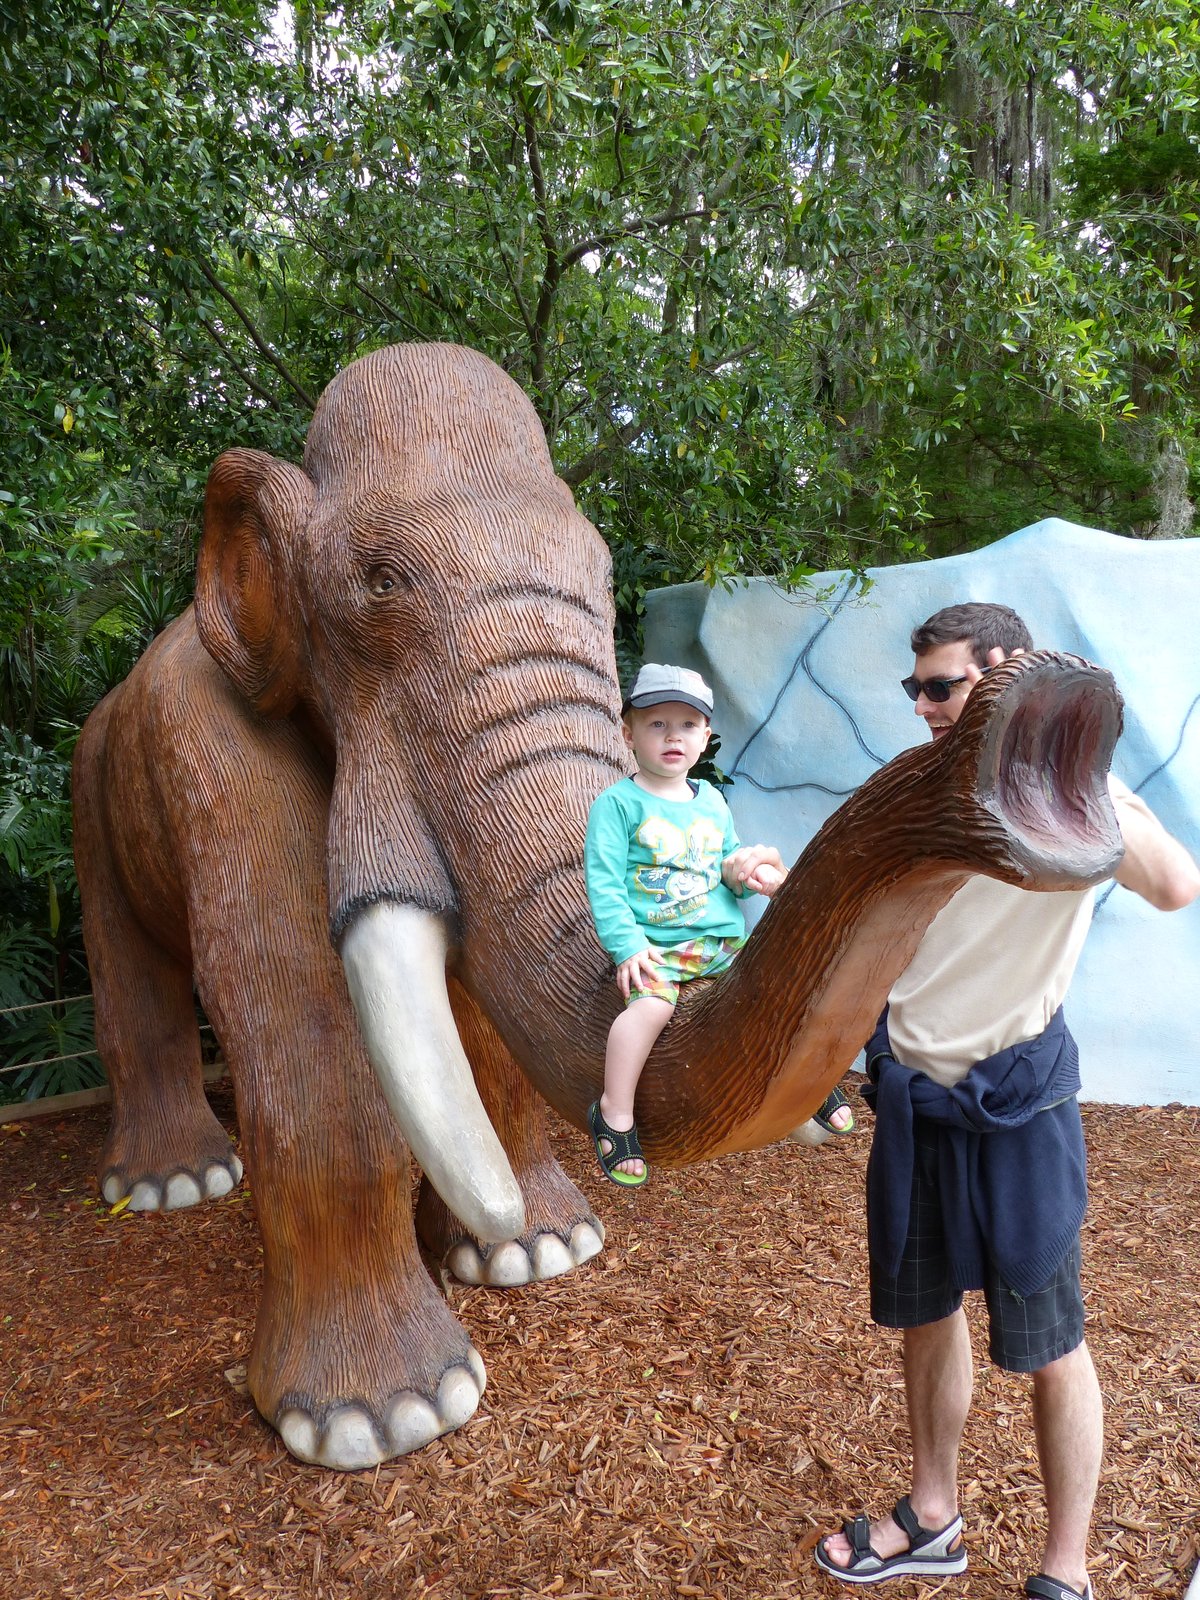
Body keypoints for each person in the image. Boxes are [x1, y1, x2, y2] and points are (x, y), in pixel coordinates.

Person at [814, 602, 1200, 1600]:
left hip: (1018, 1106)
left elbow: (1174, 884)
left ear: (1007, 674)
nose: (926, 707)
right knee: (928, 1317)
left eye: (942, 686)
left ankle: (1064, 1570)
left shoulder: (1074, 797)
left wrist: (1080, 781)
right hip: (913, 1100)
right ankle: (933, 1513)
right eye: (916, 690)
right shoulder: (912, 787)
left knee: (1050, 1343)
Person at [585, 662, 853, 1186]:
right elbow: (605, 882)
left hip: (723, 943)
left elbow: (725, 868)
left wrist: (745, 874)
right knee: (649, 1012)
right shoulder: (616, 805)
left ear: (705, 737)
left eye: (687, 725)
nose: (672, 736)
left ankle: (810, 1086)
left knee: (781, 991)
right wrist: (627, 946)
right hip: (659, 947)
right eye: (656, 724)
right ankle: (615, 1113)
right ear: (628, 733)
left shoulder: (711, 800)